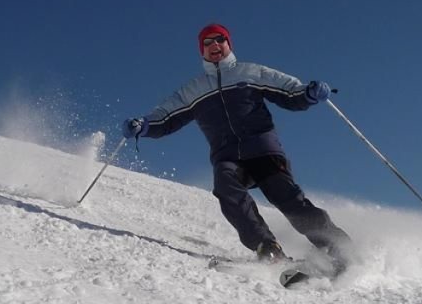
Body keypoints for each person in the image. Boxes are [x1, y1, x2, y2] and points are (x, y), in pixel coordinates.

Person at [122, 23, 351, 269]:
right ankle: (267, 247)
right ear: (202, 51)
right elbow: (166, 117)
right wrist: (144, 125)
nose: (214, 46)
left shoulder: (251, 72)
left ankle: (340, 248)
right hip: (227, 155)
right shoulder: (193, 90)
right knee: (226, 185)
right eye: (207, 43)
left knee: (287, 198)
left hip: (264, 150)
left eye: (219, 39)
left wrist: (307, 93)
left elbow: (289, 90)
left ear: (228, 43)